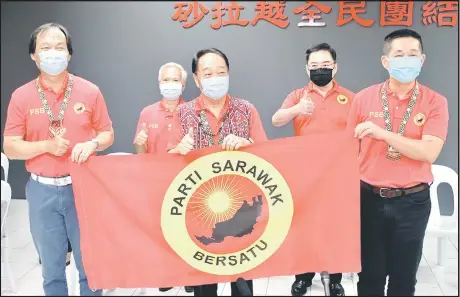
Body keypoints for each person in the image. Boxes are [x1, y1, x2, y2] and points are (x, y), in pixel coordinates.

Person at [3, 23, 114, 296]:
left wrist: (93, 143)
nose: (53, 53)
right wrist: (46, 146)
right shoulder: (21, 95)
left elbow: (108, 133)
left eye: (59, 47)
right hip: (42, 192)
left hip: (83, 188)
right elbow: (11, 147)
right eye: (45, 48)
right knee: (51, 271)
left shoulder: (90, 91)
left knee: (91, 268)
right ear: (33, 55)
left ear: (69, 53)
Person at [347, 29, 449, 296]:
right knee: (369, 276)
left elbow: (429, 152)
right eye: (399, 55)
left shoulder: (435, 102)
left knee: (404, 279)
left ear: (422, 60)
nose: (406, 61)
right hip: (368, 198)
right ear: (386, 61)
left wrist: (382, 134)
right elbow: (346, 149)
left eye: (412, 55)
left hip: (412, 202)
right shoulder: (363, 98)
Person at [168, 48, 267, 296]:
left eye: (221, 72)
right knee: (204, 283)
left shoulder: (246, 109)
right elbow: (165, 163)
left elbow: (267, 155)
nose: (215, 78)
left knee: (243, 283)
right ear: (197, 79)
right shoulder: (182, 113)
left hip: (243, 209)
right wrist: (179, 150)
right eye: (208, 73)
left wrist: (248, 145)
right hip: (199, 211)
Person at [272, 43, 352, 296]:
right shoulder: (297, 95)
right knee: (305, 227)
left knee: (336, 227)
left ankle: (336, 277)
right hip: (304, 176)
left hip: (338, 176)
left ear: (335, 67)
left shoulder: (350, 97)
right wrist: (297, 110)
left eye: (325, 65)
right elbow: (276, 120)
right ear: (307, 68)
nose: (320, 70)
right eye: (315, 66)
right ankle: (303, 276)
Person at [133, 62, 193, 294]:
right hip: (156, 183)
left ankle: (189, 274)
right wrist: (139, 144)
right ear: (159, 84)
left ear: (183, 84)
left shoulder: (192, 111)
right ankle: (167, 273)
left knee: (187, 228)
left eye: (175, 80)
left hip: (186, 181)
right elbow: (140, 151)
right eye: (166, 80)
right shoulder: (147, 113)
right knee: (161, 229)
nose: (170, 85)